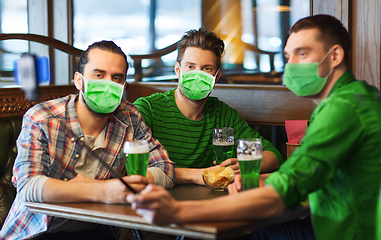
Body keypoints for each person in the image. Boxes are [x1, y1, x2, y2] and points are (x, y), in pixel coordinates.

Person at [127, 15, 381, 240]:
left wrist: (179, 211)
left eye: (302, 54)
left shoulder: (342, 109)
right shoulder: (362, 96)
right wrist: (255, 179)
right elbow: (299, 177)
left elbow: (282, 192)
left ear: (334, 56)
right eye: (288, 57)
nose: (291, 66)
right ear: (178, 70)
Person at [0, 40, 175, 240]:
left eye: (116, 78)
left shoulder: (129, 116)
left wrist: (132, 184)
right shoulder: (42, 117)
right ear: (79, 80)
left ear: (124, 85)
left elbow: (165, 168)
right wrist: (101, 191)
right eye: (99, 75)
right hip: (37, 232)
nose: (108, 83)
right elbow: (28, 186)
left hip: (98, 230)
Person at [134, 28, 283, 185]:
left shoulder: (224, 114)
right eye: (190, 67)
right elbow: (134, 168)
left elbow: (273, 155)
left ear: (216, 76)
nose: (198, 75)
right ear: (178, 70)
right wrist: (196, 175)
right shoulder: (147, 109)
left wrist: (245, 166)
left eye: (206, 69)